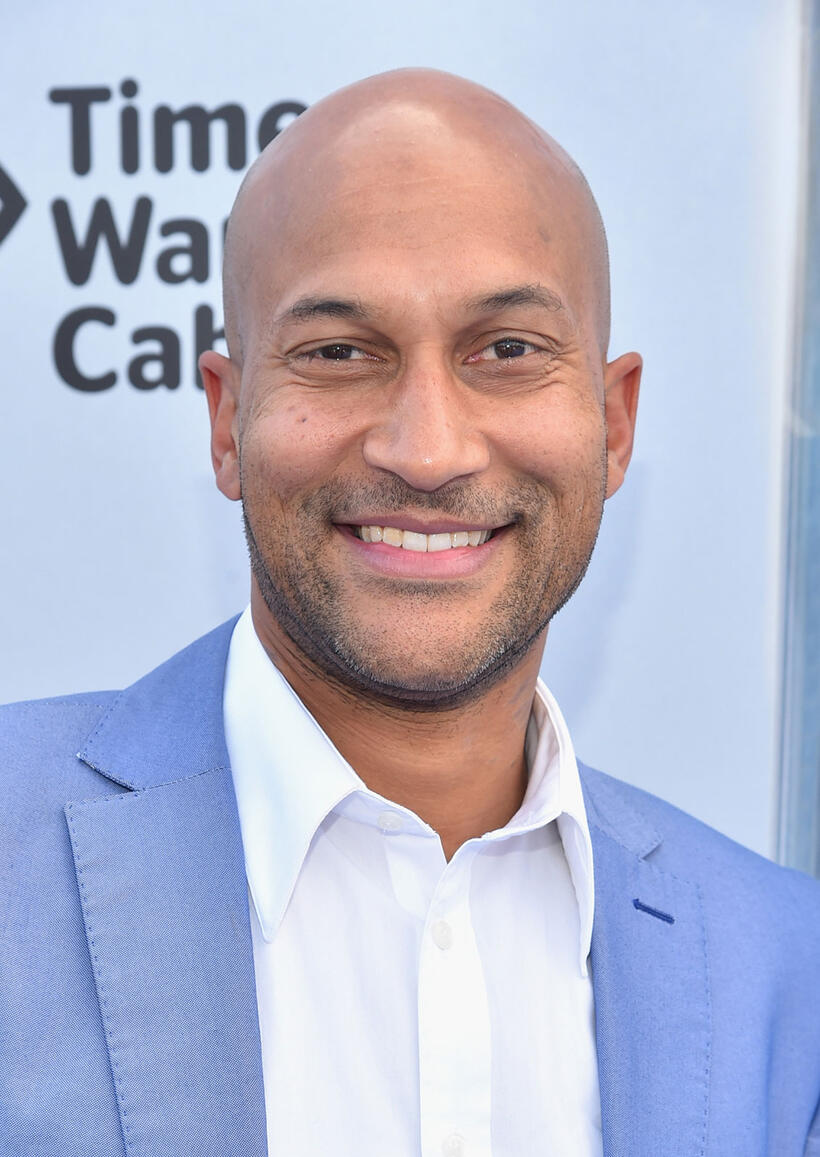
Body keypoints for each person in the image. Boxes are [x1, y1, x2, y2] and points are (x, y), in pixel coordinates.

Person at [1, 68, 818, 1157]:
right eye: (339, 353)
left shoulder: (780, 966)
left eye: (507, 351)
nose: (426, 448)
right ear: (227, 421)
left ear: (612, 425)